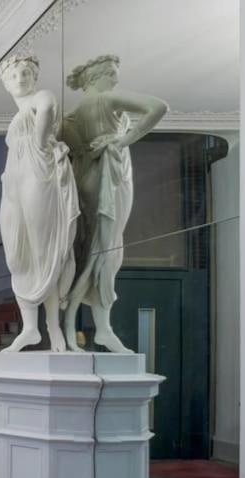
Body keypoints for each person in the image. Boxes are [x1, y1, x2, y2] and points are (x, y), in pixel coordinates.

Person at [61, 55, 168, 353]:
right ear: (94, 79)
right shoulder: (106, 99)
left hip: (85, 176)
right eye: (110, 73)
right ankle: (101, 328)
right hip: (108, 175)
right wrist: (123, 141)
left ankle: (73, 324)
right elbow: (158, 107)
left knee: (92, 247)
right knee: (106, 248)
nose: (115, 79)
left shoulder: (71, 115)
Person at [0, 55, 79, 352]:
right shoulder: (16, 114)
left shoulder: (41, 95)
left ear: (34, 76)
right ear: (6, 84)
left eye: (26, 72)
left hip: (37, 174)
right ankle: (30, 329)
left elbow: (46, 109)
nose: (20, 78)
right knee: (17, 257)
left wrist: (40, 141)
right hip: (14, 181)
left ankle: (51, 326)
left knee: (44, 252)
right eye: (14, 75)